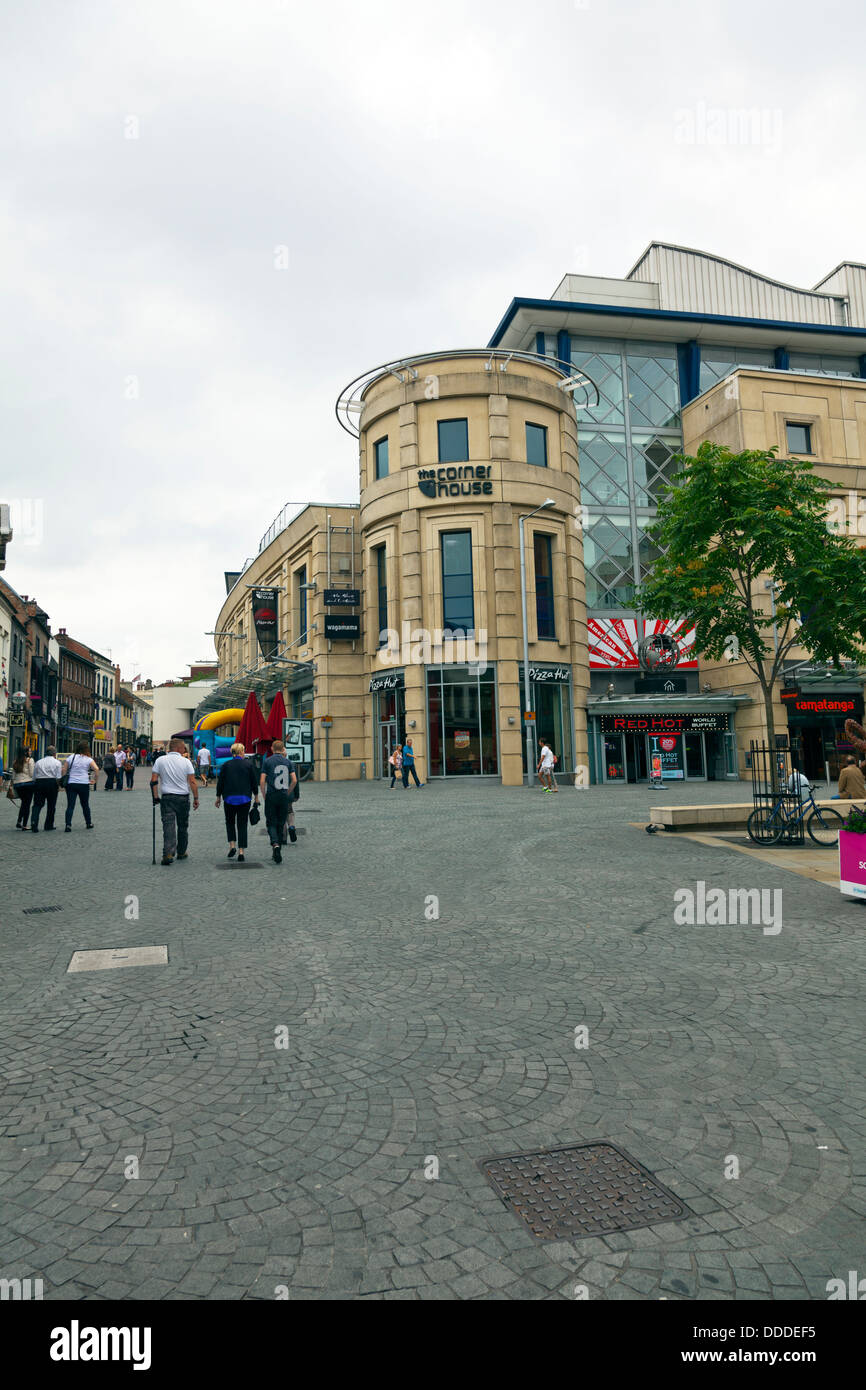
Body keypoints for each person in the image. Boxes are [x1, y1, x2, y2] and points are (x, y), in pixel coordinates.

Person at [150, 738, 198, 865]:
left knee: (168, 825)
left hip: (167, 797)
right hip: (183, 797)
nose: (184, 750)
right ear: (178, 748)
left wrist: (155, 797)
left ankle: (168, 853)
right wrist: (196, 798)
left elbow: (153, 780)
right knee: (183, 825)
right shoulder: (186, 762)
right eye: (183, 748)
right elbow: (192, 781)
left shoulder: (160, 760)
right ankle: (181, 851)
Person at [215, 742, 259, 862]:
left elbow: (221, 783)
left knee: (229, 822)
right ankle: (241, 851)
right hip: (244, 798)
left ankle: (232, 845)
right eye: (244, 751)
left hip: (229, 798)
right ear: (240, 752)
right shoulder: (248, 765)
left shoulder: (226, 765)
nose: (244, 753)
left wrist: (218, 797)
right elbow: (254, 782)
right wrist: (256, 796)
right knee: (242, 824)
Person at [260, 738, 297, 864]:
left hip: (271, 794)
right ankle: (278, 847)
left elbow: (262, 780)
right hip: (283, 795)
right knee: (281, 823)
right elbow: (294, 780)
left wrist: (263, 794)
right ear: (282, 750)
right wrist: (288, 792)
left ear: (272, 749)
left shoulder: (267, 761)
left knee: (270, 822)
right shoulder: (288, 762)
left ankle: (275, 844)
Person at [63, 744, 99, 830]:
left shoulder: (71, 757)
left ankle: (68, 825)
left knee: (70, 805)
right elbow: (96, 769)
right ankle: (88, 823)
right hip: (83, 784)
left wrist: (64, 779)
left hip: (71, 783)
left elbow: (64, 769)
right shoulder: (88, 759)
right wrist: (95, 780)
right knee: (85, 804)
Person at [31, 745, 62, 831]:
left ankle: (34, 822)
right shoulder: (57, 763)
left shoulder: (38, 762)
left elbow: (34, 776)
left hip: (39, 783)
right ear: (54, 753)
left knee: (37, 804)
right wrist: (58, 786)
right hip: (52, 783)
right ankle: (48, 825)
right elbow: (58, 777)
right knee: (51, 805)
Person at [10, 750, 36, 829]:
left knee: (24, 803)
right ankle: (24, 825)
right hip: (28, 784)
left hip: (18, 785)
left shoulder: (15, 761)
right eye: (30, 751)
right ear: (26, 753)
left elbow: (13, 776)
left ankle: (19, 821)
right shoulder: (30, 760)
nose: (31, 752)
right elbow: (32, 773)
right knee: (27, 804)